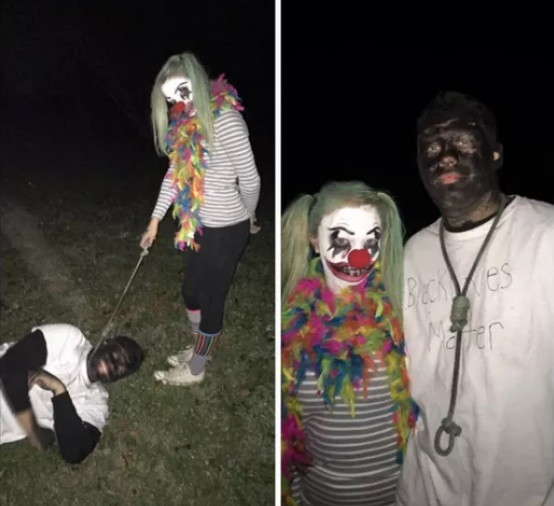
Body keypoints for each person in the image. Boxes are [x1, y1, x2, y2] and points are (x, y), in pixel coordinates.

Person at [396, 91, 554, 506]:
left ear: (495, 155)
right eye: (431, 147)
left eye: (463, 142)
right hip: (426, 485)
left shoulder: (545, 234)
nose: (445, 157)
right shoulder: (413, 253)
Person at [281, 181, 417, 506]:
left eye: (371, 241)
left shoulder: (402, 312)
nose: (359, 255)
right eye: (342, 240)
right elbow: (286, 439)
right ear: (314, 240)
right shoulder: (290, 327)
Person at [140, 51, 261, 387]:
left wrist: (250, 216)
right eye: (170, 98)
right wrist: (155, 220)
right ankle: (200, 347)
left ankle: (197, 367)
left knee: (210, 297)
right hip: (198, 226)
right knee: (190, 291)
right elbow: (174, 175)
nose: (178, 102)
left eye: (183, 91)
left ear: (199, 82)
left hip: (228, 228)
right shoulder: (185, 123)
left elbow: (250, 180)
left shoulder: (226, 121)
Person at [0, 323, 144, 464]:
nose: (115, 362)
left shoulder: (96, 403)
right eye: (117, 352)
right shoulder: (70, 339)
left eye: (123, 366)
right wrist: (32, 429)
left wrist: (58, 389)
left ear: (119, 378)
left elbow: (75, 452)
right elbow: (10, 363)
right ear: (106, 342)